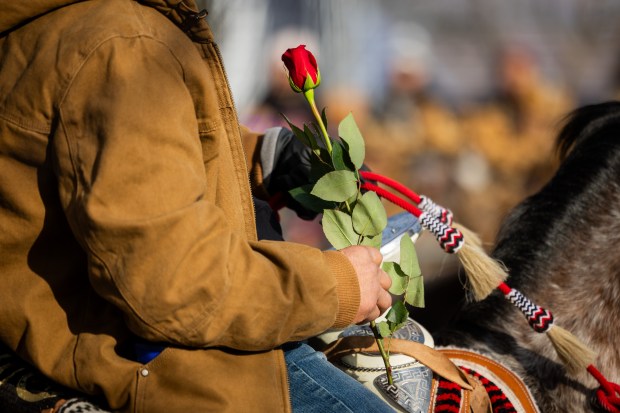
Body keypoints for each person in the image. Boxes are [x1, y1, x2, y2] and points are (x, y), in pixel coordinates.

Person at [0, 1, 393, 412]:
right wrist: (335, 286)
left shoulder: (76, 22)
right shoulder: (125, 45)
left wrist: (265, 155)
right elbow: (175, 282)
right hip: (159, 366)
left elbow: (136, 151)